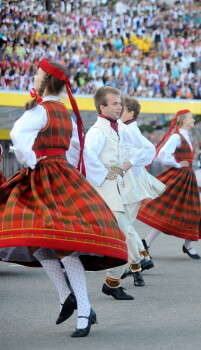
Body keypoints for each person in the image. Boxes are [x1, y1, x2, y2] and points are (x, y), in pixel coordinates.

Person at [0, 59, 128, 337]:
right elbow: (76, 149)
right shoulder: (65, 113)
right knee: (42, 242)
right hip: (61, 174)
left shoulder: (41, 110)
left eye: (36, 74)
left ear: (46, 80)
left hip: (44, 174)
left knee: (61, 246)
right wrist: (72, 173)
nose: (33, 77)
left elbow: (17, 135)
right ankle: (68, 299)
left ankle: (83, 308)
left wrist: (32, 161)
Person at [84, 86, 138, 300]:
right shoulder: (97, 131)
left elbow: (140, 150)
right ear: (102, 107)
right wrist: (104, 173)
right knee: (122, 237)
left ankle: (113, 281)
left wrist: (124, 166)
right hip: (104, 192)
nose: (120, 106)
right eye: (115, 103)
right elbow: (89, 156)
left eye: (120, 103)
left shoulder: (117, 128)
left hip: (114, 190)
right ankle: (111, 282)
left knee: (122, 237)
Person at [138, 109, 201, 259]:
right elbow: (163, 155)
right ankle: (148, 242)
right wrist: (178, 164)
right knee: (169, 210)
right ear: (183, 120)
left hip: (187, 176)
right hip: (180, 176)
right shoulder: (177, 136)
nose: (193, 120)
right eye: (191, 118)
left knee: (192, 210)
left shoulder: (186, 136)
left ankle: (187, 244)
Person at [118, 96, 165, 285]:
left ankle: (137, 262)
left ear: (131, 113)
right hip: (128, 179)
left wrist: (130, 162)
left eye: (123, 108)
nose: (119, 111)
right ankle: (140, 258)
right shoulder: (124, 127)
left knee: (124, 223)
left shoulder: (128, 129)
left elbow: (149, 148)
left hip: (131, 180)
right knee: (124, 222)